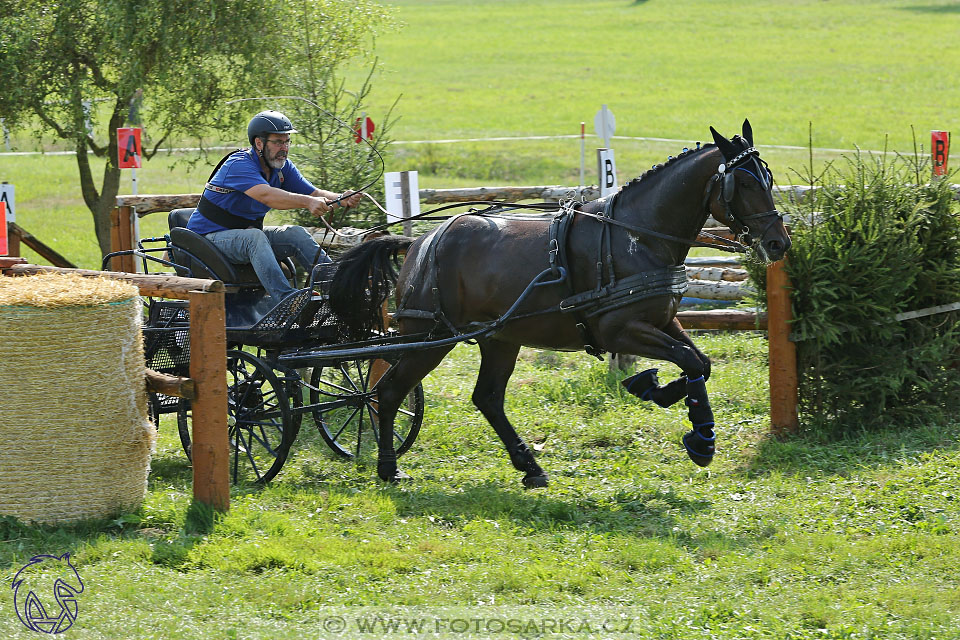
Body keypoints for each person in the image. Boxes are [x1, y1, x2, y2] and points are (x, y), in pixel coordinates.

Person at [186, 110, 363, 306]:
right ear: (259, 143)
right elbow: (268, 196)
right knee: (255, 239)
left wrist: (340, 199)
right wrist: (307, 202)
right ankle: (288, 301)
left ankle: (340, 285)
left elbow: (313, 193)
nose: (284, 148)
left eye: (287, 141)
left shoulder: (282, 167)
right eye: (278, 142)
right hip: (208, 239)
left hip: (243, 235)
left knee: (295, 233)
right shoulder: (238, 165)